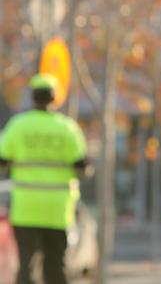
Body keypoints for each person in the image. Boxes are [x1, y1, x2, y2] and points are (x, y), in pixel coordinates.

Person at [0, 74, 90, 284]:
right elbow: (82, 167)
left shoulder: (18, 125)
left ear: (32, 97)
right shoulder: (67, 128)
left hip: (26, 208)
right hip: (57, 210)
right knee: (56, 265)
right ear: (55, 98)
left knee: (26, 265)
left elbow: (2, 161)